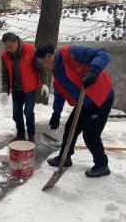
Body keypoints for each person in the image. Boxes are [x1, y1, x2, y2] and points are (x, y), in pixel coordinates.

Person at [35, 44, 114, 178]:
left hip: (101, 98)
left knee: (91, 135)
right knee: (71, 127)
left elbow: (103, 53)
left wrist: (93, 71)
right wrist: (56, 114)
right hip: (84, 101)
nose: (43, 65)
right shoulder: (57, 71)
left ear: (49, 56)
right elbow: (60, 95)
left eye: (43, 61)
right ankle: (65, 157)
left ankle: (102, 165)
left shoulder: (71, 53)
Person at [0, 32, 49, 143]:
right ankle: (21, 136)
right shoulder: (5, 55)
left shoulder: (30, 50)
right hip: (16, 89)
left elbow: (41, 68)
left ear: (16, 41)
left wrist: (44, 83)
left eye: (11, 47)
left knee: (28, 112)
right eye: (7, 47)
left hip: (30, 88)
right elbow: (5, 74)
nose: (9, 50)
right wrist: (4, 91)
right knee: (16, 114)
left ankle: (31, 136)